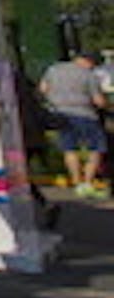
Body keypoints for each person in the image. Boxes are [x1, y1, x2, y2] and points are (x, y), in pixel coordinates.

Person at [41, 52, 109, 198]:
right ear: (88, 61)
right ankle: (87, 182)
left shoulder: (53, 69)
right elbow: (99, 101)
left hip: (59, 114)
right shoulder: (88, 75)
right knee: (97, 148)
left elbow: (43, 89)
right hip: (85, 115)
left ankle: (77, 183)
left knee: (69, 149)